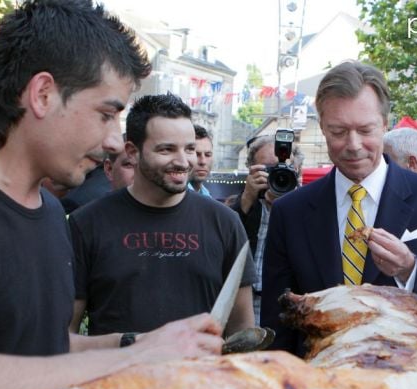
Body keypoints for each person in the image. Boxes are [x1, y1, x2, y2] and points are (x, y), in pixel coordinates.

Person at [0, 1, 223, 389]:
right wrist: (132, 362)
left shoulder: (51, 213)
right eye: (107, 114)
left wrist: (142, 342)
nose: (114, 142)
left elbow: (42, 351)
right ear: (43, 94)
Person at [261, 60, 417, 355]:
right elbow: (278, 326)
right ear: (323, 128)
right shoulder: (290, 212)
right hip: (318, 388)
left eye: (365, 130)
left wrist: (411, 271)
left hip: (406, 387)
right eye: (338, 131)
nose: (353, 145)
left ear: (385, 125)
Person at [69, 93, 256, 337]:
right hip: (118, 374)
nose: (183, 161)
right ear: (133, 152)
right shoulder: (87, 223)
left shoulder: (224, 223)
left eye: (189, 148)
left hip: (201, 374)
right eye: (166, 149)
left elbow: (242, 331)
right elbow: (63, 334)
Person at [229, 134, 301, 324]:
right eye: (269, 169)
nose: (278, 175)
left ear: (297, 171)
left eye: (285, 169)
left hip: (288, 307)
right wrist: (247, 199)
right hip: (244, 307)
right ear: (251, 170)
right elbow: (224, 245)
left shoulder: (309, 207)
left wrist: (294, 203)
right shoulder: (241, 205)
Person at [187, 124, 213, 197]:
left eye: (208, 155)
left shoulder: (207, 195)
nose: (203, 161)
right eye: (196, 155)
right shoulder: (173, 197)